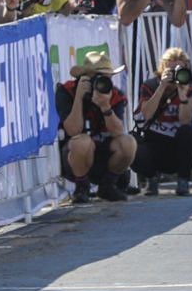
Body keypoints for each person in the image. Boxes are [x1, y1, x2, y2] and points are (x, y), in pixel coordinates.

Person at [55, 51, 137, 203]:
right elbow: (73, 130)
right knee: (82, 141)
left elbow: (118, 132)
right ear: (85, 77)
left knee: (128, 143)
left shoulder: (114, 95)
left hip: (104, 157)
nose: (103, 81)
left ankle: (108, 186)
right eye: (99, 77)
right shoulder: (68, 91)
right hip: (75, 159)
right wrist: (79, 98)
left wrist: (105, 106)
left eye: (108, 77)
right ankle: (82, 187)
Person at [131, 47, 192, 196]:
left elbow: (185, 120)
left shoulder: (189, 88)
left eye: (179, 69)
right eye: (172, 69)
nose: (176, 73)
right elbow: (147, 114)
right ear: (163, 67)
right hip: (154, 143)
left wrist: (182, 95)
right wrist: (162, 87)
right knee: (131, 143)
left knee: (187, 132)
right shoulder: (150, 85)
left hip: (176, 148)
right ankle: (151, 178)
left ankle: (183, 180)